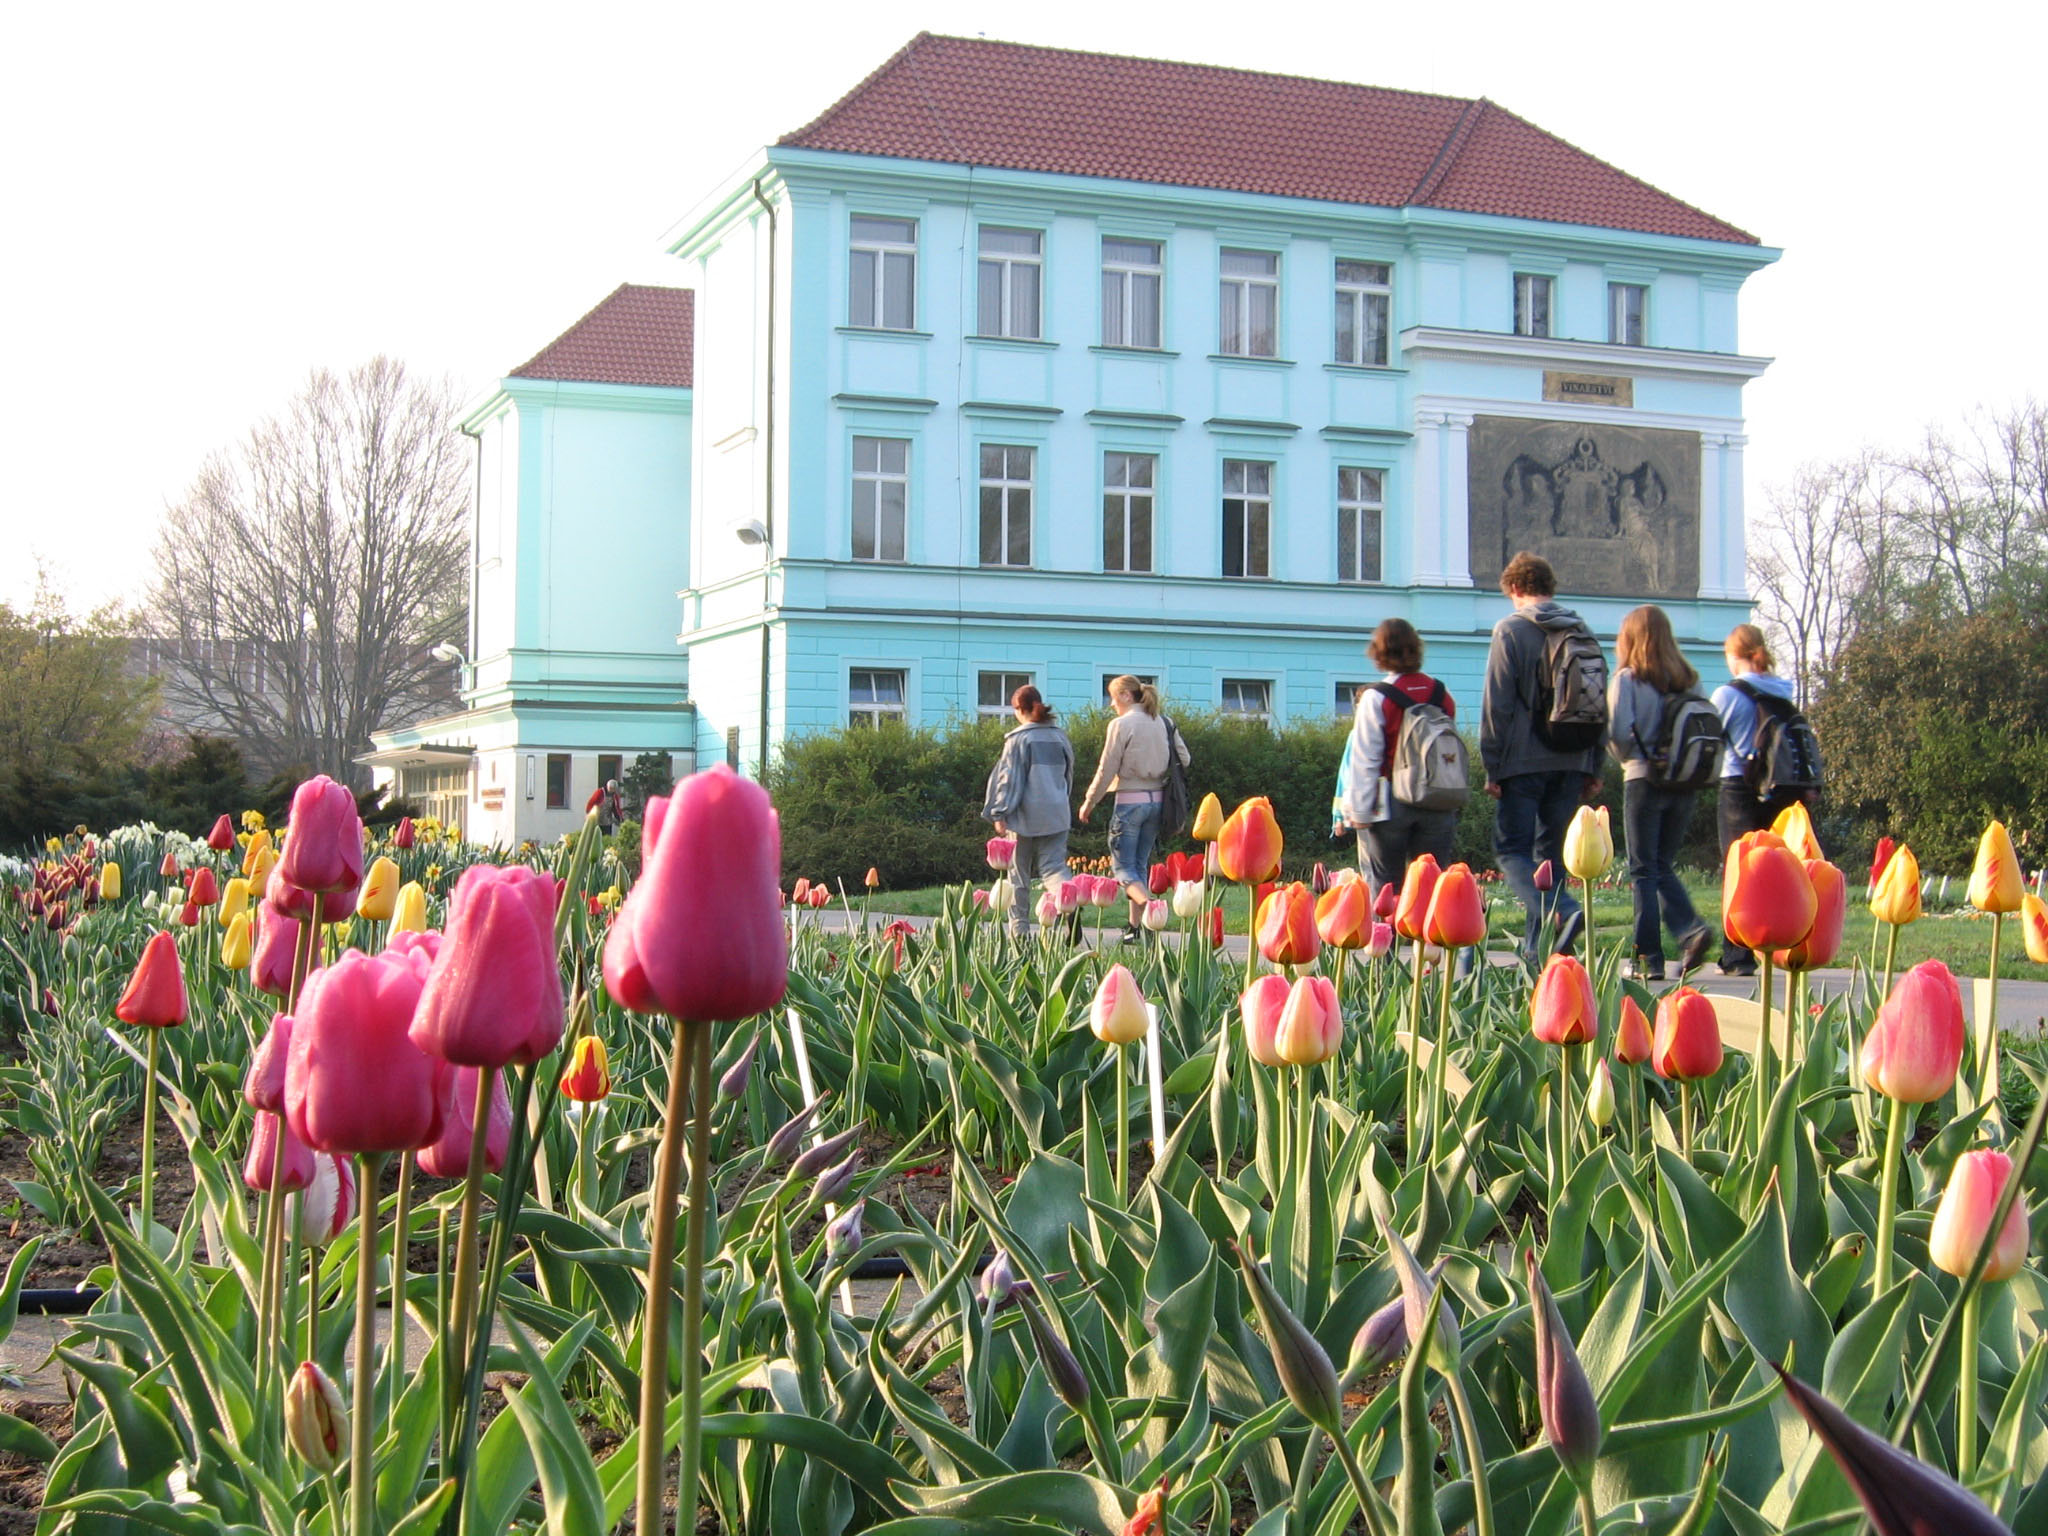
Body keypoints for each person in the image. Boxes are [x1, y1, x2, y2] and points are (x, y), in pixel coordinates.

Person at [1480, 551, 1603, 964]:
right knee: (1550, 858)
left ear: (1515, 589)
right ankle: (1538, 955)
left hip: (1523, 762)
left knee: (1511, 850)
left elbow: (1497, 703)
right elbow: (1599, 700)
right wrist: (1593, 763)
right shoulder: (1581, 630)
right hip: (1573, 758)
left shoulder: (1511, 629)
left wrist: (1492, 764)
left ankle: (1562, 912)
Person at [1607, 606, 1715, 982]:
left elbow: (1620, 732)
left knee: (1642, 871)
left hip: (1643, 779)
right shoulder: (1689, 679)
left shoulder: (1628, 679)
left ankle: (1647, 958)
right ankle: (1690, 930)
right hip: (1684, 782)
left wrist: (1627, 759)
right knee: (1662, 864)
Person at [1711, 623, 1806, 975]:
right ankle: (1779, 947)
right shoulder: (1783, 691)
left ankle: (1736, 956)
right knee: (1775, 870)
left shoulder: (1728, 694)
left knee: (1738, 871)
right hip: (1780, 787)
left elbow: (1707, 737)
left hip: (1739, 786)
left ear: (1735, 656)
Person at [1343, 618, 1459, 896]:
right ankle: (1427, 938)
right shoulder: (1442, 694)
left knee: (1386, 888)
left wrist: (1358, 810)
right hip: (1439, 799)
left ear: (1379, 653)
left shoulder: (1376, 697)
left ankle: (1388, 938)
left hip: (1393, 801)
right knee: (1429, 885)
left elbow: (1366, 758)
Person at [1078, 675, 1192, 942]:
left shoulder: (1120, 724)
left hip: (1130, 802)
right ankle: (1136, 928)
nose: (1111, 704)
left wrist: (1089, 801)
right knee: (1140, 865)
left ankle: (1152, 908)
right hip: (1158, 802)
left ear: (1126, 696)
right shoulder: (1165, 722)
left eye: (1113, 697)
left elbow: (1106, 769)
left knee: (1123, 870)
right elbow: (1185, 759)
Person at [982, 685, 1075, 938]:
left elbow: (1009, 780)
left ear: (1018, 710)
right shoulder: (1060, 737)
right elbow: (1069, 776)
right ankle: (1069, 903)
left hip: (1023, 816)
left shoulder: (1018, 739)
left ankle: (1019, 934)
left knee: (1018, 876)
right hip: (1057, 812)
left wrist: (999, 813)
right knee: (1054, 868)